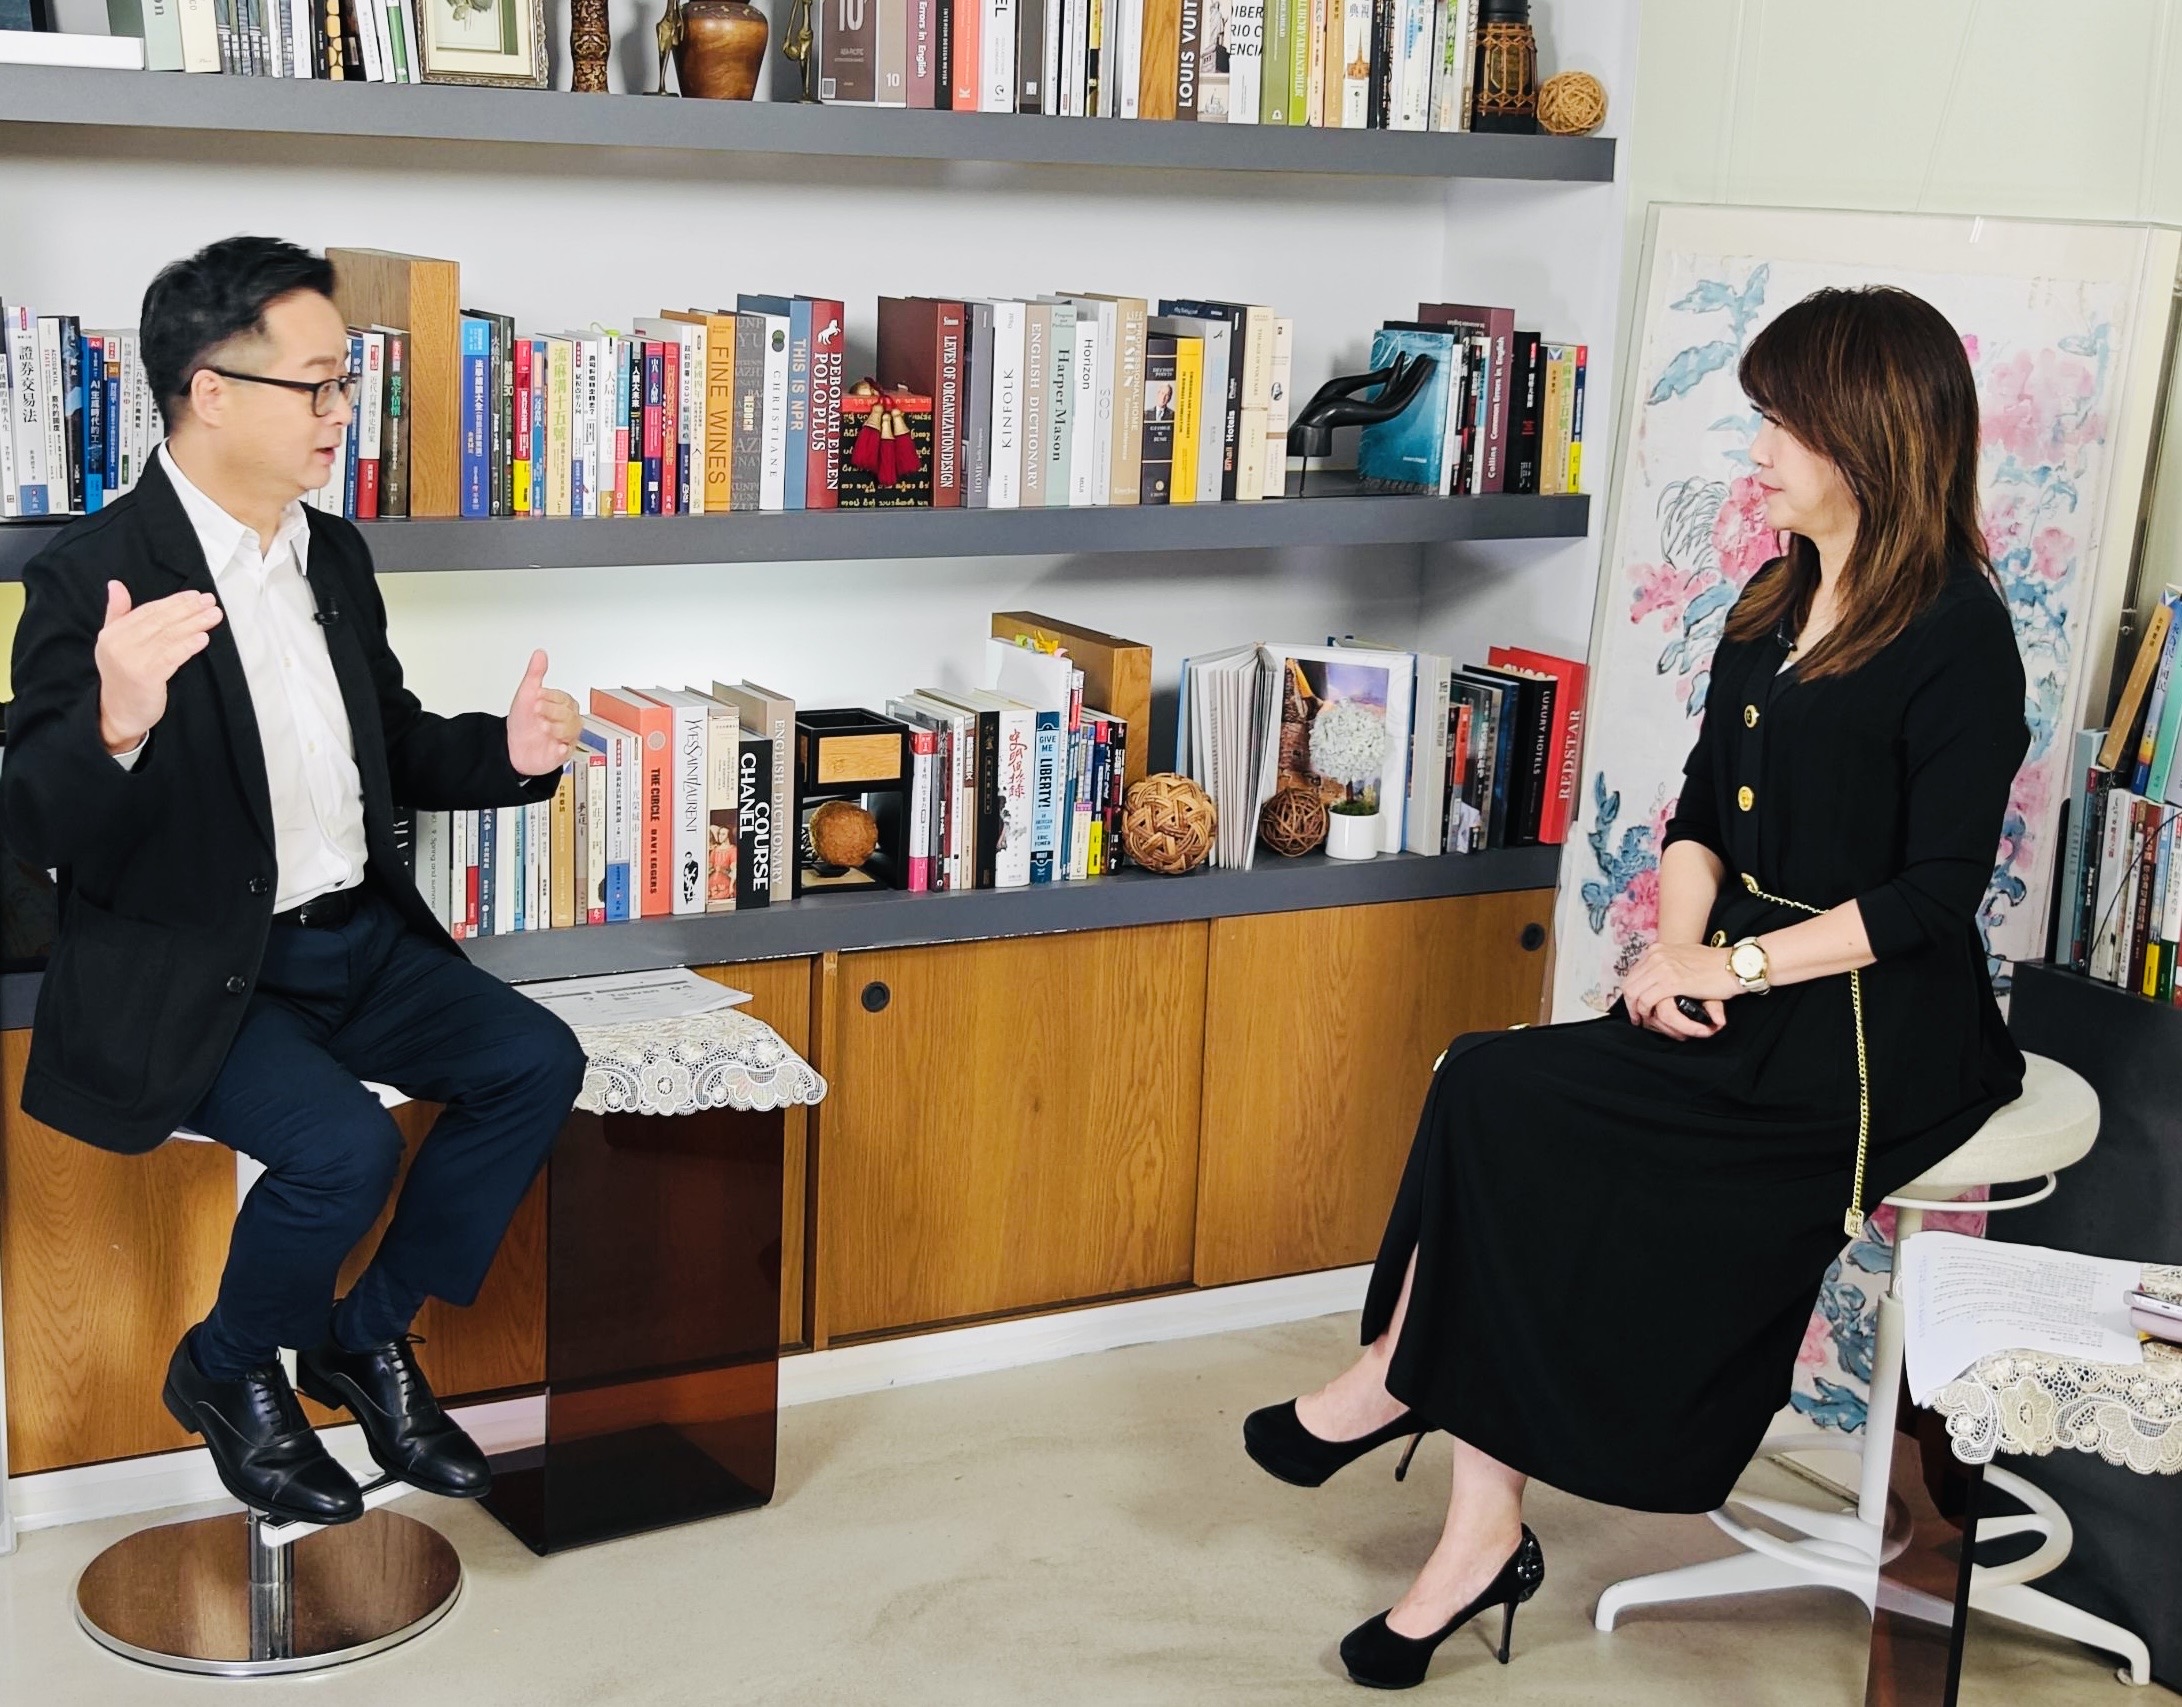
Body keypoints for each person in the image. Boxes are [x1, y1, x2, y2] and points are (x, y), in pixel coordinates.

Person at [1241, 284, 2031, 1690]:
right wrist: (1670, 958)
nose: (1758, 449)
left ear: (1869, 436)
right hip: (1738, 975)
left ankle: (1410, 1393)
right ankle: (1460, 1491)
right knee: (1492, 1087)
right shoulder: (1773, 599)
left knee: (1550, 1137)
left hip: (1872, 1023)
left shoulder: (1958, 633)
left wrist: (1728, 963)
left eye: (1782, 423)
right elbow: (1698, 818)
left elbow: (1931, 899)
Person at [3, 237, 590, 1527]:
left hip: (356, 941)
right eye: (317, 385)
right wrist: (114, 720)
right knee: (344, 1151)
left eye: (344, 384)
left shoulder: (332, 553)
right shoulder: (91, 574)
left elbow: (388, 740)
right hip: (200, 974)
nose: (340, 413)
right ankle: (224, 1367)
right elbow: (35, 817)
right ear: (211, 391)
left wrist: (506, 754)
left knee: (534, 1062)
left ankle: (363, 1339)